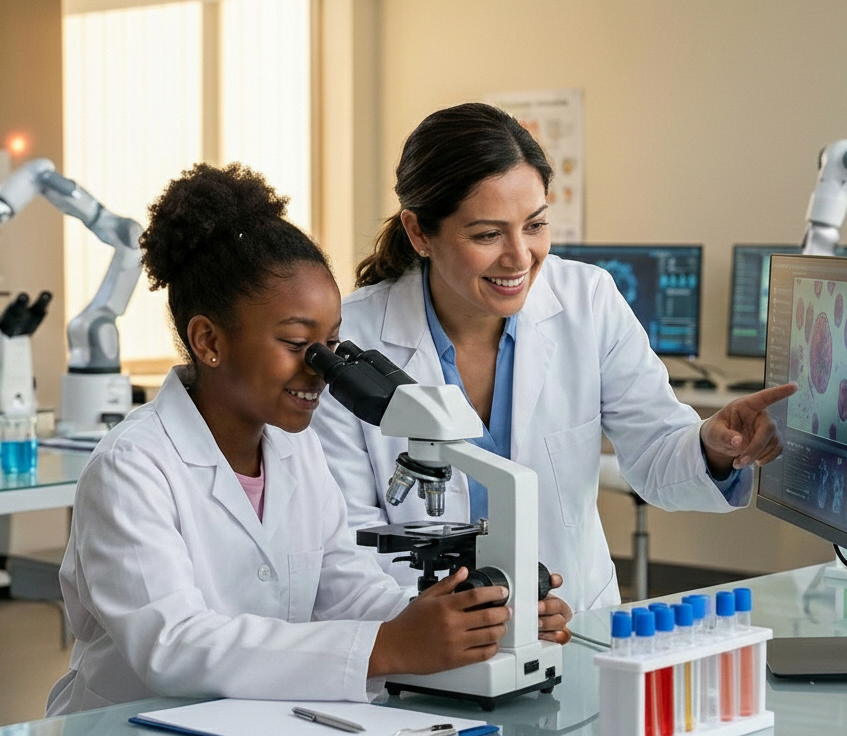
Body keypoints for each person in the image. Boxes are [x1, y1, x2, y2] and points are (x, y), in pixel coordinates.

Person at [45, 163, 569, 715]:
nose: (321, 368)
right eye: (297, 342)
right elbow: (173, 646)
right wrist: (386, 647)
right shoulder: (132, 466)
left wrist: (472, 621)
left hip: (257, 718)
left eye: (333, 343)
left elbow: (346, 591)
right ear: (208, 340)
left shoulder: (295, 448)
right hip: (136, 722)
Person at [311, 103, 795, 612]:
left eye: (535, 225)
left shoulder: (588, 301)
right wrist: (428, 625)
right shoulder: (352, 337)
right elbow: (346, 534)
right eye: (487, 234)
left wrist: (715, 446)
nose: (520, 257)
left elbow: (655, 454)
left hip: (572, 622)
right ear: (419, 233)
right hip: (412, 627)